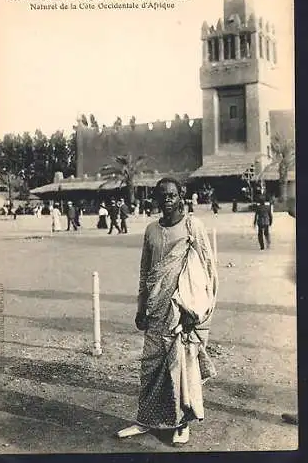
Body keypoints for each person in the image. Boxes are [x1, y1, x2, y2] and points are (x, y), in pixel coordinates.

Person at [117, 177, 218, 445]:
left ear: (181, 195)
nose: (167, 199)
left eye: (172, 194)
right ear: (155, 199)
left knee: (181, 367)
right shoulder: (151, 230)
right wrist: (141, 308)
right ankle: (147, 420)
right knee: (150, 367)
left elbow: (206, 271)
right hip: (155, 309)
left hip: (182, 312)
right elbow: (145, 272)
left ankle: (182, 423)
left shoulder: (192, 226)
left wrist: (195, 311)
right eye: (162, 195)